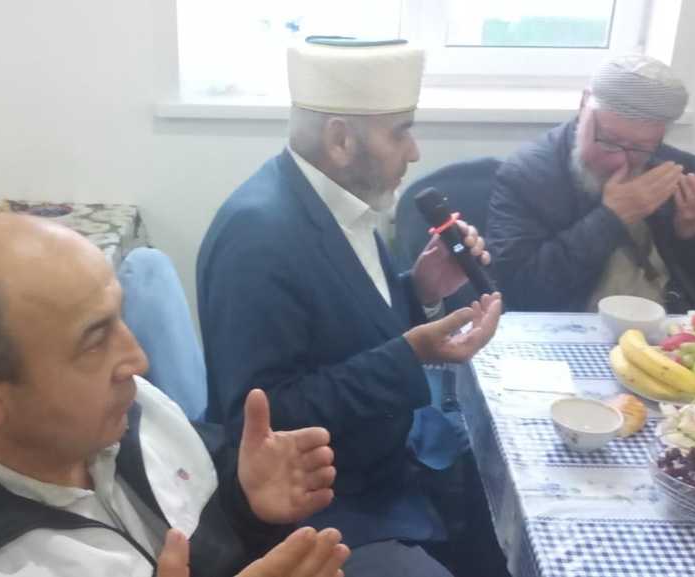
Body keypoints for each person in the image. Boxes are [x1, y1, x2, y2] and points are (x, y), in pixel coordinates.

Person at [0, 213, 349, 577]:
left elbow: (209, 545)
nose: (137, 360)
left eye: (119, 316)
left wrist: (245, 504)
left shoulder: (131, 408)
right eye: (95, 340)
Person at [197, 37, 503, 577]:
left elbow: (347, 329)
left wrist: (420, 290)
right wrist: (410, 356)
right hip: (326, 505)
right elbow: (264, 421)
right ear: (340, 139)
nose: (414, 152)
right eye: (400, 131)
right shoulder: (257, 238)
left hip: (383, 463)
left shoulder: (339, 205)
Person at [486, 54, 695, 313]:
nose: (619, 160)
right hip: (572, 329)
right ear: (583, 104)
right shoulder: (527, 174)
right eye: (608, 140)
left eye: (640, 147)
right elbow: (519, 291)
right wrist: (610, 218)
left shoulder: (675, 172)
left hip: (664, 327)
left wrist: (691, 234)